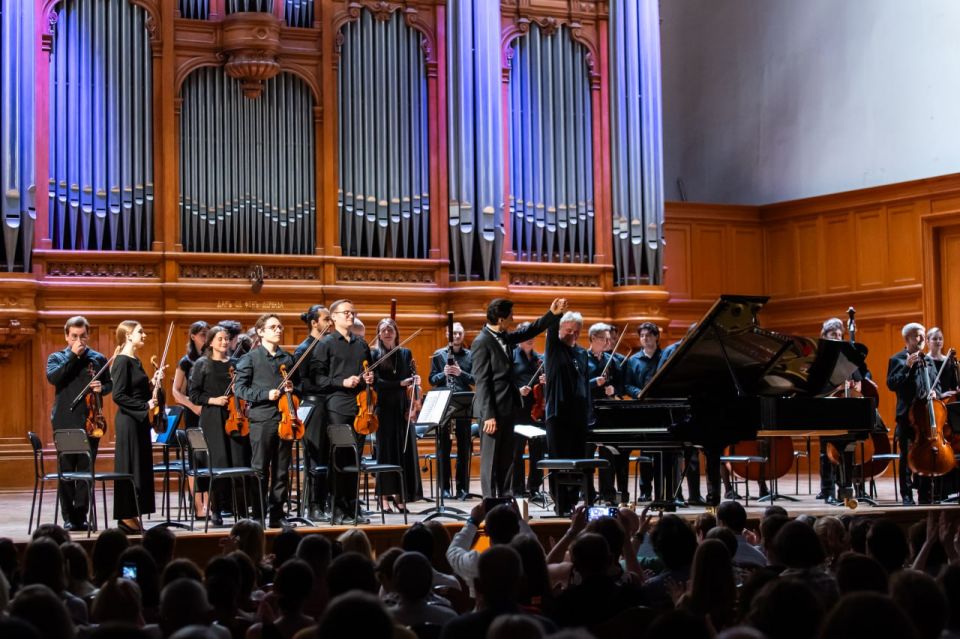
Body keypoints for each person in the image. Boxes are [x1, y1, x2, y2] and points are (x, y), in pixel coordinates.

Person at [472, 297, 567, 497]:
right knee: (491, 460)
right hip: (492, 411)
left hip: (508, 407)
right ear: (500, 319)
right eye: (510, 317)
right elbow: (482, 382)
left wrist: (553, 314)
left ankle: (505, 497)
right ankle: (490, 501)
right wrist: (488, 415)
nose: (513, 320)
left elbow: (529, 331)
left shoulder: (504, 337)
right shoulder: (482, 342)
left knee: (506, 458)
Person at [308, 299, 375, 524]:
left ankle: (352, 506)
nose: (350, 315)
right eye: (345, 312)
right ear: (334, 317)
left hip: (360, 407)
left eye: (352, 312)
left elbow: (369, 371)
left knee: (355, 459)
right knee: (339, 457)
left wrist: (368, 378)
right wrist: (341, 382)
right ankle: (337, 508)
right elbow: (317, 378)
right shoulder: (325, 343)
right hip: (336, 405)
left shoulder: (361, 344)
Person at [46, 315, 113, 531]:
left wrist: (102, 388)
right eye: (74, 336)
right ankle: (68, 517)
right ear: (67, 336)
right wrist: (73, 357)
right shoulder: (56, 358)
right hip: (64, 421)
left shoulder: (98, 359)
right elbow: (54, 378)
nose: (79, 340)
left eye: (83, 336)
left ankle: (81, 516)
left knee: (86, 470)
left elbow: (109, 384)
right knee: (66, 471)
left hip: (90, 421)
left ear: (88, 335)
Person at [234, 313, 298, 527]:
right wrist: (265, 394)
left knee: (281, 471)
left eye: (279, 326)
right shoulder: (249, 359)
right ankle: (258, 516)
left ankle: (277, 516)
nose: (278, 330)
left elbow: (300, 386)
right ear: (260, 332)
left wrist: (292, 388)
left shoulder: (288, 359)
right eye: (273, 327)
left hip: (285, 419)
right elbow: (240, 389)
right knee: (260, 470)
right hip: (262, 420)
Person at [188, 325, 249, 526]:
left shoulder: (237, 364)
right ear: (211, 342)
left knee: (238, 461)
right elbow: (194, 394)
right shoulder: (202, 364)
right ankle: (217, 510)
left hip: (236, 416)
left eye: (226, 339)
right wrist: (214, 400)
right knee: (218, 463)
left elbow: (243, 388)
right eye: (220, 339)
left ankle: (241, 510)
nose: (224, 342)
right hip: (212, 418)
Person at [110, 320, 160, 533]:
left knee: (140, 466)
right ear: (128, 335)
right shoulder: (121, 361)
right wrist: (144, 405)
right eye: (141, 331)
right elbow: (118, 395)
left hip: (138, 421)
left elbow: (140, 391)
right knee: (131, 466)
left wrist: (153, 383)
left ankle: (133, 514)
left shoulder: (135, 360)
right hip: (129, 421)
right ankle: (126, 515)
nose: (144, 334)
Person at [371, 318, 423, 512]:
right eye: (383, 329)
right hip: (383, 409)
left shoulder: (405, 353)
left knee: (403, 453)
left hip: (403, 408)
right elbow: (376, 383)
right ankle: (383, 498)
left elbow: (411, 379)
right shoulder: (375, 354)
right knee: (386, 453)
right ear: (378, 333)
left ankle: (400, 496)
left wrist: (414, 381)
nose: (387, 332)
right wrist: (399, 383)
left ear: (396, 332)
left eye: (390, 329)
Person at [542, 310, 591, 515]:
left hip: (578, 415)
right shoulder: (553, 348)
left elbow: (585, 384)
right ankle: (561, 504)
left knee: (577, 460)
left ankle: (573, 502)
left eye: (576, 331)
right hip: (557, 414)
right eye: (568, 330)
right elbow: (551, 328)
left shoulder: (582, 353)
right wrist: (556, 312)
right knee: (559, 461)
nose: (572, 334)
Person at [887, 322, 941, 504]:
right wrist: (907, 368)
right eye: (918, 335)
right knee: (906, 458)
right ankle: (907, 496)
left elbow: (937, 385)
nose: (922, 339)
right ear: (907, 338)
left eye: (923, 335)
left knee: (926, 456)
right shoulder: (897, 359)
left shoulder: (929, 360)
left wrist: (936, 392)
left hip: (926, 417)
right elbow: (892, 384)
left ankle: (925, 496)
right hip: (907, 417)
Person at [428, 321, 475, 500]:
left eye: (459, 333)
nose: (456, 336)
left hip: (463, 404)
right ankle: (444, 489)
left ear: (463, 336)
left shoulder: (470, 356)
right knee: (443, 448)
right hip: (444, 404)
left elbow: (475, 380)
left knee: (464, 448)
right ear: (448, 335)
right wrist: (444, 373)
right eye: (453, 333)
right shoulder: (439, 355)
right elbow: (432, 379)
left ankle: (462, 488)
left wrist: (460, 372)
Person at [297, 304, 333, 521]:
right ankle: (314, 506)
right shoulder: (304, 350)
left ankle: (329, 501)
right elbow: (301, 384)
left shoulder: (329, 345)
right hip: (313, 407)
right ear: (314, 323)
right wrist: (328, 385)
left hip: (329, 406)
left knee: (329, 457)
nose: (330, 322)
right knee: (315, 458)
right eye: (326, 319)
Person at [586, 323, 629, 504]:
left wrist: (614, 390)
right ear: (594, 339)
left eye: (609, 339)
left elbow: (621, 385)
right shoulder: (582, 359)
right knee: (587, 455)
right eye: (604, 339)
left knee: (607, 455)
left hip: (607, 414)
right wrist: (595, 382)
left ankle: (607, 494)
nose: (608, 342)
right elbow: (576, 386)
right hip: (588, 413)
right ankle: (587, 492)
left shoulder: (612, 361)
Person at [623, 322, 663, 500]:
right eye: (642, 336)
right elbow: (627, 384)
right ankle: (645, 491)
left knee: (663, 452)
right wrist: (637, 393)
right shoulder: (633, 360)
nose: (645, 338)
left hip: (662, 410)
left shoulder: (665, 357)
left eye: (648, 335)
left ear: (656, 337)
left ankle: (662, 492)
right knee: (646, 452)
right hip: (642, 410)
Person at [511, 326, 546, 498]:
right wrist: (518, 390)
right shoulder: (511, 358)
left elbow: (545, 386)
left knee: (536, 451)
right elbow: (504, 383)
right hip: (518, 410)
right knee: (517, 451)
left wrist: (544, 380)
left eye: (532, 336)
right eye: (526, 336)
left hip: (535, 409)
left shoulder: (540, 360)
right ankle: (517, 489)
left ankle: (534, 488)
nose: (530, 339)